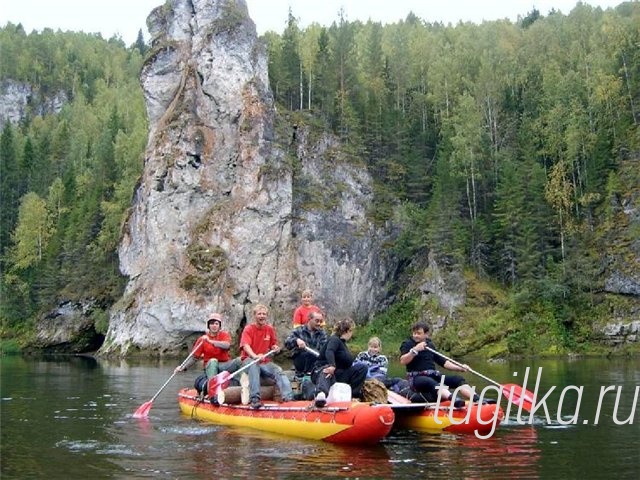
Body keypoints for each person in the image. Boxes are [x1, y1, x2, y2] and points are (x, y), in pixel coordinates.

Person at [399, 321, 477, 406]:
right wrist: (415, 350)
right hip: (416, 379)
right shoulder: (407, 344)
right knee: (430, 382)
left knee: (458, 379)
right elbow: (403, 361)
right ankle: (453, 399)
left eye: (419, 333)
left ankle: (477, 399)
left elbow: (443, 362)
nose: (416, 335)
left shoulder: (430, 345)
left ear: (426, 334)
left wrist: (460, 368)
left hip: (433, 376)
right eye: (414, 333)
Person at [174, 313, 241, 401]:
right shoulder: (202, 339)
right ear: (208, 325)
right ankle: (213, 392)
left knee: (240, 360)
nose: (214, 326)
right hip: (210, 366)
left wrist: (211, 341)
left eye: (216, 324)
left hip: (224, 365)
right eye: (212, 323)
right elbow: (194, 357)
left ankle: (244, 388)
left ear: (219, 326)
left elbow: (227, 345)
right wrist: (183, 367)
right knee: (213, 361)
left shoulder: (224, 335)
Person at [240, 304, 293, 409]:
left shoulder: (269, 329)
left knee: (278, 370)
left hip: (264, 361)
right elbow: (245, 346)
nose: (262, 316)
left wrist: (275, 348)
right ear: (254, 315)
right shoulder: (248, 329)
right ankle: (255, 398)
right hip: (249, 360)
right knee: (254, 365)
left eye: (264, 314)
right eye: (259, 314)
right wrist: (255, 356)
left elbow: (273, 345)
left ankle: (288, 398)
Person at [312, 318, 367, 406]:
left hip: (340, 373)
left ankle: (354, 395)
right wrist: (332, 365)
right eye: (352, 331)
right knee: (328, 371)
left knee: (362, 367)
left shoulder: (343, 344)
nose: (352, 334)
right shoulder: (334, 339)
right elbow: (329, 351)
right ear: (348, 331)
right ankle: (321, 394)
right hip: (322, 371)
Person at [284, 310, 328, 399]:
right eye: (317, 321)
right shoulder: (299, 330)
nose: (319, 324)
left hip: (315, 362)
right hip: (301, 361)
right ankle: (302, 380)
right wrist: (296, 341)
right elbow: (287, 343)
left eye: (321, 321)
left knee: (318, 357)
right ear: (309, 319)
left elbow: (324, 349)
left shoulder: (322, 333)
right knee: (305, 354)